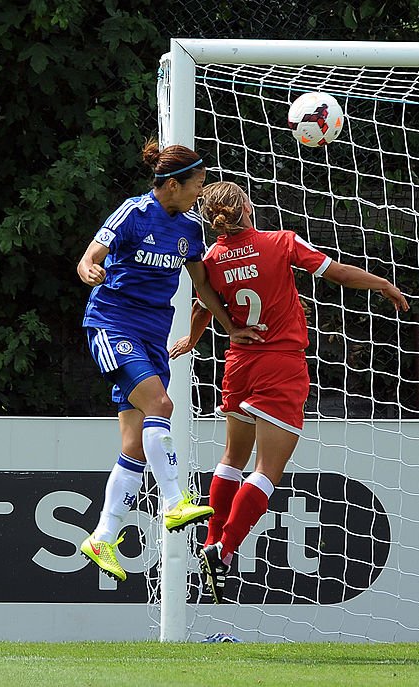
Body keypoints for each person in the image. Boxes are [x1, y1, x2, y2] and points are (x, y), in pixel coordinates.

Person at [168, 180, 409, 604]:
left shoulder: (212, 258)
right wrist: (382, 284)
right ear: (245, 207)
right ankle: (224, 551)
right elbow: (335, 273)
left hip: (239, 362)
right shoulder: (279, 242)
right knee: (266, 470)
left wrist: (192, 338)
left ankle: (210, 538)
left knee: (232, 458)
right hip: (280, 364)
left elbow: (204, 305)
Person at [76, 141, 262, 582]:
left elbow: (203, 286)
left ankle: (102, 536)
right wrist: (90, 270)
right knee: (162, 406)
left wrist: (228, 326)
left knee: (135, 445)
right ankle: (175, 500)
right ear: (173, 184)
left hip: (153, 338)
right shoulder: (133, 213)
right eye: (196, 184)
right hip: (113, 324)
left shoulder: (190, 231)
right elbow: (89, 258)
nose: (201, 191)